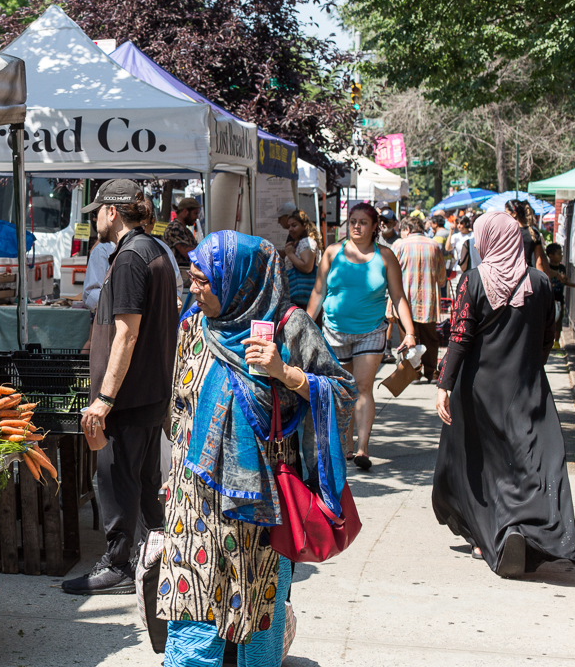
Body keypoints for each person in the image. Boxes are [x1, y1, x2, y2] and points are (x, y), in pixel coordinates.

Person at [160, 231, 356, 665]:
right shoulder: (194, 322)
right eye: (191, 278)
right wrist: (172, 481)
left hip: (261, 508)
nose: (194, 289)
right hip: (195, 502)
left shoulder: (289, 327)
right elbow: (178, 403)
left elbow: (343, 393)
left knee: (258, 609)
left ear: (239, 281)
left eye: (203, 281)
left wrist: (284, 372)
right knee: (192, 611)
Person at [433, 212, 575, 577]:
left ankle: (487, 538)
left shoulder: (473, 281)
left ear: (485, 240)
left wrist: (445, 384)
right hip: (527, 386)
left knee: (482, 466)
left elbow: (460, 336)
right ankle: (519, 528)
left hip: (478, 390)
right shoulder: (542, 283)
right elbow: (548, 335)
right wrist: (531, 363)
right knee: (529, 462)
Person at [63, 179, 178, 595]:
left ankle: (119, 565)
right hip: (148, 391)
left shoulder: (131, 258)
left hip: (129, 397)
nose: (94, 218)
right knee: (144, 482)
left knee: (117, 478)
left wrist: (105, 399)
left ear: (113, 212)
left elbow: (127, 334)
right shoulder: (153, 252)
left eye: (97, 210)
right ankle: (160, 559)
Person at [307, 202, 417, 470]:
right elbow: (318, 292)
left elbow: (399, 297)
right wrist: (305, 325)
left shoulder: (386, 256)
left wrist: (410, 332)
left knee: (363, 387)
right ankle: (345, 445)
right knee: (344, 390)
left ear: (374, 226)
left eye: (363, 222)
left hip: (371, 331)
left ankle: (362, 448)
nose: (356, 226)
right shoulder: (332, 253)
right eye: (352, 221)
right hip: (334, 332)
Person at [392, 217, 445, 381]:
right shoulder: (434, 245)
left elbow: (390, 275)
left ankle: (413, 373)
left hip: (404, 302)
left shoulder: (400, 245)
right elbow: (442, 277)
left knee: (408, 338)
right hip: (429, 301)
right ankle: (431, 372)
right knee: (430, 339)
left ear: (407, 229)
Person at [282, 209, 320, 309]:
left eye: (294, 225)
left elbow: (307, 267)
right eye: (289, 226)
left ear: (304, 226)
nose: (290, 229)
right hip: (299, 301)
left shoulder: (306, 242)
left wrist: (290, 254)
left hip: (305, 303)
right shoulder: (299, 243)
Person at [544, 242, 575, 347]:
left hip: (559, 299)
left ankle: (556, 342)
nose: (561, 255)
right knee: (548, 321)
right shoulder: (547, 267)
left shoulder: (562, 268)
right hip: (549, 299)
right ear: (551, 256)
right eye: (559, 253)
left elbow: (564, 281)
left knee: (558, 322)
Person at [504, 198, 550, 274]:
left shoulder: (508, 233)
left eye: (506, 212)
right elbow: (539, 262)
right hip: (527, 274)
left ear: (514, 214)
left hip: (510, 275)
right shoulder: (533, 232)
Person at [163, 197, 200, 271]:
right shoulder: (174, 228)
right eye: (195, 213)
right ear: (185, 211)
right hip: (178, 274)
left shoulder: (184, 229)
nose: (197, 217)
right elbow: (186, 252)